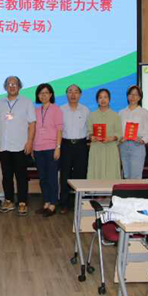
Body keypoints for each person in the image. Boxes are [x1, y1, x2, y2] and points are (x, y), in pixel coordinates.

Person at [0, 76, 36, 216]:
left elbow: (32, 124)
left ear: (19, 86)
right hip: (4, 145)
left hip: (21, 146)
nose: (12, 86)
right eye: (9, 84)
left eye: (15, 84)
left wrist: (30, 142)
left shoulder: (26, 102)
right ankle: (8, 200)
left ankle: (22, 202)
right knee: (6, 176)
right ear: (5, 87)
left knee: (21, 176)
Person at [33, 83, 63, 217]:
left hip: (51, 148)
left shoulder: (56, 109)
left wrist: (58, 147)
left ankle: (53, 204)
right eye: (41, 93)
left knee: (52, 177)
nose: (43, 95)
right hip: (38, 148)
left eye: (46, 93)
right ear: (38, 96)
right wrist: (32, 147)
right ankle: (46, 202)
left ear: (51, 95)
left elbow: (59, 130)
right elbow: (32, 130)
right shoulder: (35, 111)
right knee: (43, 178)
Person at [59, 84, 90, 214]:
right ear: (66, 94)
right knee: (65, 175)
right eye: (70, 91)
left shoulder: (85, 110)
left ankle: (80, 203)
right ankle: (64, 204)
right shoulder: (61, 110)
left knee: (80, 174)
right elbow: (58, 129)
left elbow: (89, 129)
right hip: (65, 144)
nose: (73, 94)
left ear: (80, 94)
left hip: (81, 145)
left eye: (76, 92)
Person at [87, 88, 121, 179]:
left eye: (105, 97)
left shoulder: (116, 116)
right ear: (97, 100)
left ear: (109, 99)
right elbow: (89, 132)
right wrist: (91, 137)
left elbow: (119, 133)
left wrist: (111, 138)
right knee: (96, 174)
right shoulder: (92, 115)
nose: (103, 100)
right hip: (96, 148)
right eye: (100, 97)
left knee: (110, 174)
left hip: (110, 148)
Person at [118, 85, 148, 179]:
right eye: (130, 94)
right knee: (126, 174)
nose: (133, 97)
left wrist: (143, 140)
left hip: (137, 145)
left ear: (139, 97)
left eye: (136, 94)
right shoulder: (121, 112)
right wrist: (120, 138)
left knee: (136, 175)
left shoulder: (144, 112)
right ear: (127, 96)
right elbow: (118, 129)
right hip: (124, 145)